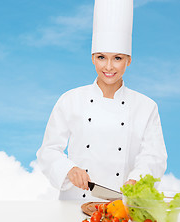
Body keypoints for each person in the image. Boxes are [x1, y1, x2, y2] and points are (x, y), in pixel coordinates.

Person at [36, 0, 167, 200]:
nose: (108, 67)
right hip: (74, 205)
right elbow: (48, 151)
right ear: (92, 58)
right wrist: (69, 169)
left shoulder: (146, 107)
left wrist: (137, 179)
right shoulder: (70, 100)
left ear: (129, 60)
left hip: (121, 205)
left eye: (117, 58)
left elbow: (154, 155)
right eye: (101, 57)